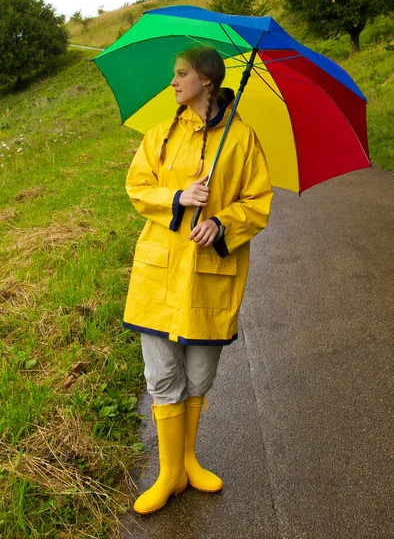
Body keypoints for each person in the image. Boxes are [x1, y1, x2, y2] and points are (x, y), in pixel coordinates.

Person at [123, 46, 273, 515]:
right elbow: (137, 186)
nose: (173, 82)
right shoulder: (160, 134)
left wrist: (223, 222)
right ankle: (168, 474)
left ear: (206, 81)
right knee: (161, 374)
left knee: (198, 377)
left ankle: (188, 459)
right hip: (159, 275)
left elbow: (258, 201)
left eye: (181, 73)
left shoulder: (242, 139)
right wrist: (179, 196)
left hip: (211, 275)